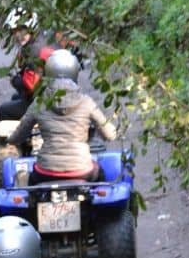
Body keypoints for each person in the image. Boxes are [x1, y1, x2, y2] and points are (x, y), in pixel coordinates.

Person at [7, 49, 117, 184]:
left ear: (48, 73)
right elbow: (109, 135)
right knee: (102, 178)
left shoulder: (39, 102)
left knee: (26, 182)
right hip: (81, 171)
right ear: (75, 72)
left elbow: (19, 135)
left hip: (46, 171)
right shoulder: (86, 102)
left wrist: (10, 139)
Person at [0, 6, 59, 121]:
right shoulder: (46, 37)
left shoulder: (33, 50)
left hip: (46, 102)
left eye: (21, 30)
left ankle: (14, 139)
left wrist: (15, 80)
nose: (17, 35)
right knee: (16, 97)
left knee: (4, 110)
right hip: (57, 95)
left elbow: (32, 86)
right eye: (14, 31)